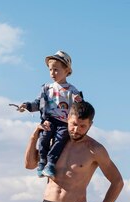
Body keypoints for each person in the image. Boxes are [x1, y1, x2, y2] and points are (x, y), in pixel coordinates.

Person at [17, 50, 83, 179]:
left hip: (64, 122)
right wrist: (27, 105)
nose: (52, 73)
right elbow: (38, 103)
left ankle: (51, 164)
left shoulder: (72, 90)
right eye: (50, 70)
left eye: (56, 70)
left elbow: (80, 107)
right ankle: (42, 162)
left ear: (67, 70)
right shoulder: (47, 88)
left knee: (60, 139)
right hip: (49, 119)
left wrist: (79, 101)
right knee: (44, 137)